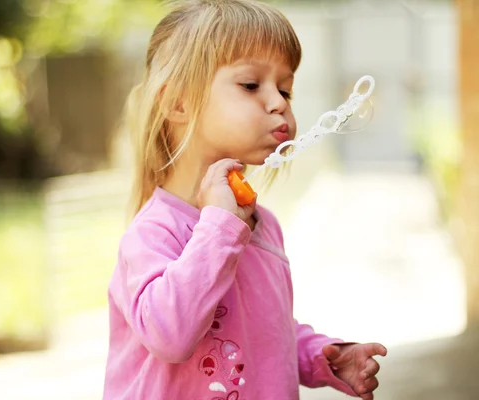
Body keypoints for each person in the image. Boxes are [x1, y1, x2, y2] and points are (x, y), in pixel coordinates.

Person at [104, 1, 387, 399]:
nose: (279, 103)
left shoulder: (263, 225)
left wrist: (322, 356)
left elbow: (266, 333)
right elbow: (170, 335)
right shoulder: (153, 233)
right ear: (178, 104)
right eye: (251, 85)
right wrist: (219, 226)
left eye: (285, 88)